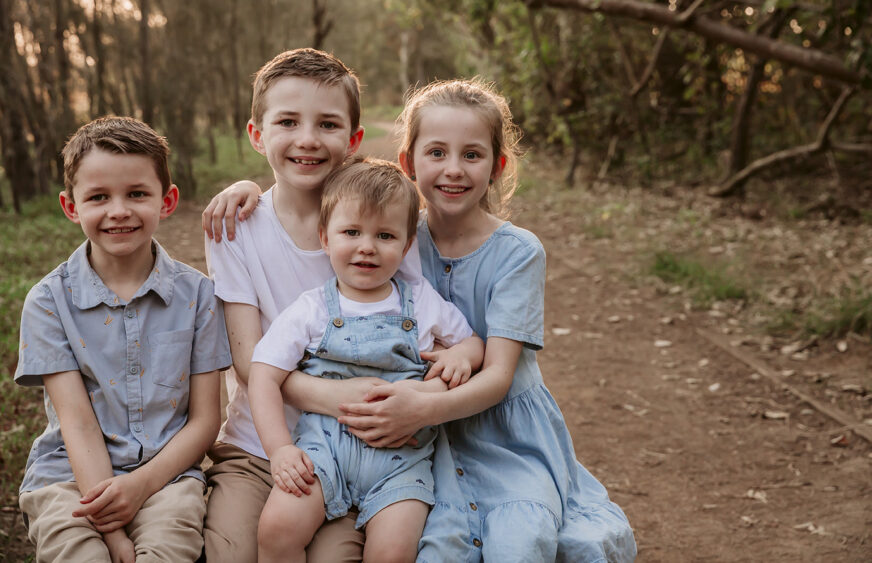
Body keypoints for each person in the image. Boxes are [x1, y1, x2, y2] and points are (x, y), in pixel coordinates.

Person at [206, 79, 637, 562]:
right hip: (380, 436)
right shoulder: (392, 232)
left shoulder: (478, 248)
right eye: (436, 153)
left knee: (509, 544)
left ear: (497, 167)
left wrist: (430, 392)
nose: (452, 170)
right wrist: (249, 186)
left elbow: (489, 363)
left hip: (471, 429)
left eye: (471, 155)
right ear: (410, 163)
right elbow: (336, 189)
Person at [204, 47, 432, 562]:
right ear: (257, 135)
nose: (307, 139)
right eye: (287, 121)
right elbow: (248, 360)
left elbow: (424, 321)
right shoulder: (235, 228)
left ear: (353, 141)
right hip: (257, 446)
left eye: (327, 124)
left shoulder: (381, 227)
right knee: (234, 553)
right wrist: (349, 397)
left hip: (358, 449)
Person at [15, 116, 230, 563]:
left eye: (136, 193)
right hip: (69, 477)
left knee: (168, 550)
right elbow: (76, 423)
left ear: (166, 200)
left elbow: (205, 421)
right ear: (71, 206)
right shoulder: (48, 302)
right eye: (98, 197)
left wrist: (140, 486)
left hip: (167, 477)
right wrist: (113, 534)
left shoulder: (198, 295)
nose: (118, 211)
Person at [249, 158, 483, 563]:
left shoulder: (421, 301)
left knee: (392, 553)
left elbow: (474, 343)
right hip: (323, 454)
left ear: (407, 245)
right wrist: (281, 450)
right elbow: (263, 375)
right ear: (325, 237)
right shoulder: (312, 309)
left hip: (402, 461)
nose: (367, 247)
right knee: (276, 530)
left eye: (385, 235)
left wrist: (464, 353)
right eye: (351, 232)